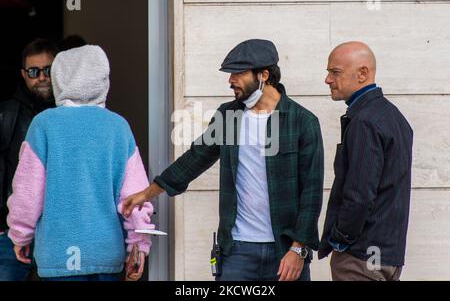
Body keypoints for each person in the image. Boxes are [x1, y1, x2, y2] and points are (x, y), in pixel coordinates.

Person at [123, 39, 324, 281]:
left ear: (264, 75)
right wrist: (146, 194)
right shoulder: (228, 116)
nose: (230, 80)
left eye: (238, 73)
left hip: (285, 251)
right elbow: (194, 159)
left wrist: (298, 249)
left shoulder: (303, 122)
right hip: (237, 251)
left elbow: (312, 193)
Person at [6, 45, 154, 281]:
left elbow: (27, 194)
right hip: (106, 254)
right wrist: (139, 244)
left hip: (57, 255)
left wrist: (20, 236)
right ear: (103, 78)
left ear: (58, 78)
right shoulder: (118, 126)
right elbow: (134, 196)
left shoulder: (43, 125)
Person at [318, 41, 413, 281]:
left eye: (335, 72)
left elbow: (359, 194)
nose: (327, 79)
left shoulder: (365, 121)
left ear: (363, 73)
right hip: (387, 256)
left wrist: (340, 239)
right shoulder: (394, 117)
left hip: (361, 258)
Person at [0, 38, 57, 281]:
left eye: (49, 70)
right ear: (24, 75)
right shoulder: (6, 113)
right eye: (34, 71)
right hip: (10, 232)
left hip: (58, 231)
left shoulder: (69, 114)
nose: (42, 77)